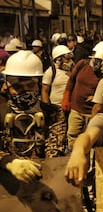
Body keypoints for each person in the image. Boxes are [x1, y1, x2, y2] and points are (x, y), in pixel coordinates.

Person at [0, 50, 66, 179]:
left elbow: (54, 151)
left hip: (42, 178)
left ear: (39, 84)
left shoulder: (53, 113)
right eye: (18, 87)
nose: (25, 92)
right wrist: (8, 162)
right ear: (6, 87)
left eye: (31, 85)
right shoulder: (1, 112)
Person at [62, 41, 103, 150]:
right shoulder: (82, 64)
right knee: (72, 135)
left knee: (90, 139)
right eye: (96, 60)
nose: (97, 64)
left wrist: (96, 97)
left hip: (92, 112)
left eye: (100, 61)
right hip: (76, 109)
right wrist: (66, 97)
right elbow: (71, 81)